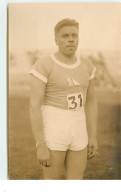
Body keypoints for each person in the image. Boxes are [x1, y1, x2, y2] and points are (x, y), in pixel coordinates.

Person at [29, 18, 98, 180]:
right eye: (65, 35)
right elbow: (34, 106)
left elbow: (91, 102)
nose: (71, 39)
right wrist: (40, 144)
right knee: (51, 184)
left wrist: (93, 135)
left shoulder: (87, 65)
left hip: (78, 129)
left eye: (74, 35)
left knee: (75, 183)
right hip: (54, 128)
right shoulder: (45, 64)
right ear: (56, 40)